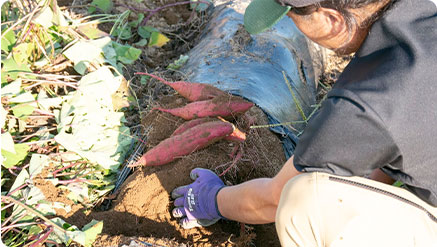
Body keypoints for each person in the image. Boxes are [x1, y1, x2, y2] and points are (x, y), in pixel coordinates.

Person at [171, 0, 437, 245]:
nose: (290, 26)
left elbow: (274, 199)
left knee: (303, 200)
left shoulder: (365, 101)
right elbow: (405, 132)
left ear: (333, 20)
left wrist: (213, 200)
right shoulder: (422, 16)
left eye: (292, 16)